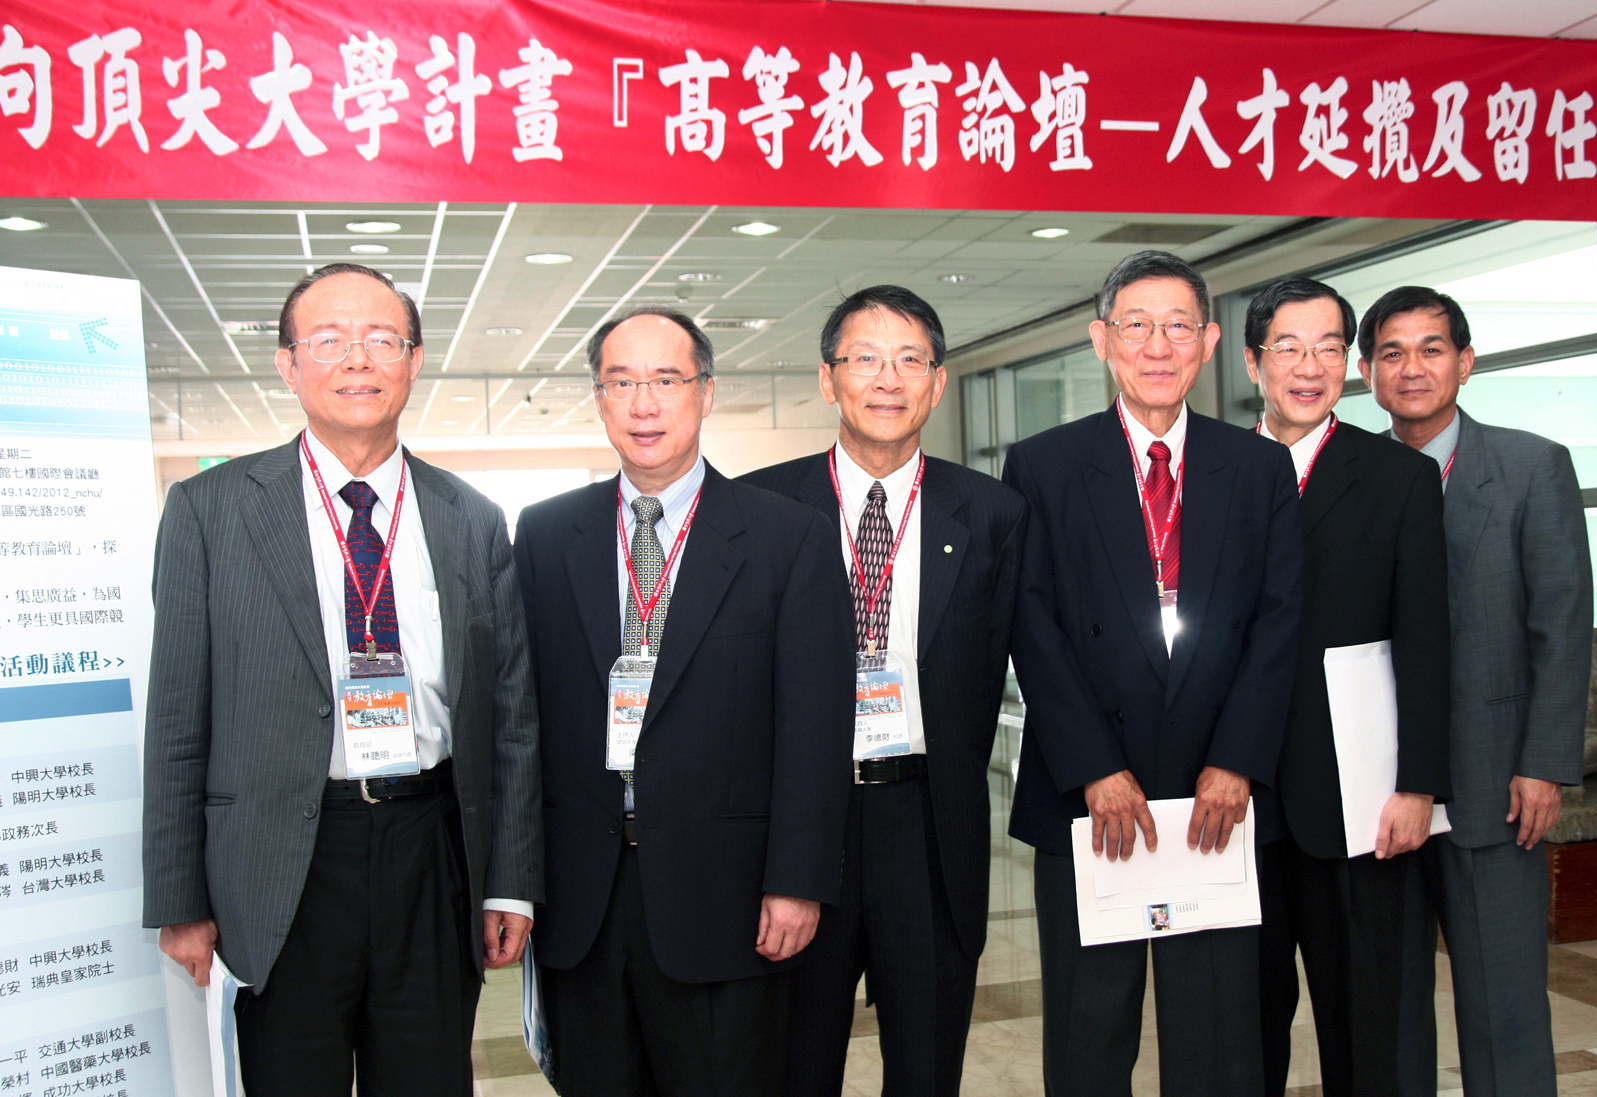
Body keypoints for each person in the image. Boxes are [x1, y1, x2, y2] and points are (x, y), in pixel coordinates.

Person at [141, 263, 543, 1096]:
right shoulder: (211, 510)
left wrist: (510, 880)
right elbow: (178, 717)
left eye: (382, 339)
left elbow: (511, 718)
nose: (357, 359)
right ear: (288, 365)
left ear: (414, 360)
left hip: (431, 847)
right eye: (327, 340)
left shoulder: (471, 518)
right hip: (283, 857)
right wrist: (179, 897)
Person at [513, 307, 855, 1097]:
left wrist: (797, 879)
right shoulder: (546, 534)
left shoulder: (786, 536)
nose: (644, 404)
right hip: (583, 899)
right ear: (598, 398)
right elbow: (520, 721)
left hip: (726, 896)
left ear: (704, 391)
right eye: (621, 382)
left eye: (665, 380)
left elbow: (814, 726)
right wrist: (515, 880)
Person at [1001, 250, 1303, 1097]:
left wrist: (1237, 759)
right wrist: (1093, 766)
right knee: (1089, 1029)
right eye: (1136, 326)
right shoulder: (1044, 465)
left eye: (1177, 326)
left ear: (1209, 341)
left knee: (1217, 1034)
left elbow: (1278, 621)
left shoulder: (1255, 468)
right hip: (1088, 791)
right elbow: (1031, 625)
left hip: (1217, 794)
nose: (1157, 346)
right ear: (1101, 339)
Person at [741, 286, 1027, 1097]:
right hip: (802, 825)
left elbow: (1028, 654)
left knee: (926, 1067)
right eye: (864, 359)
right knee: (795, 1066)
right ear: (827, 379)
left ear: (937, 382)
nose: (887, 379)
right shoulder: (760, 507)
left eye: (909, 360)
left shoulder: (992, 513)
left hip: (928, 827)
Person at [1362, 286, 1591, 1097]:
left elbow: (1560, 627)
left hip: (1495, 781)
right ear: (1366, 372)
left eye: (1430, 349)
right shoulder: (1353, 476)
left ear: (1464, 362)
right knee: (1388, 1010)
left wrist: (1544, 763)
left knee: (1504, 1003)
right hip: (1380, 790)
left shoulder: (1532, 467)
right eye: (1390, 352)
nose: (1411, 368)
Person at [1242, 277, 1450, 1096]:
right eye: (1288, 348)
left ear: (1347, 366)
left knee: (1364, 1026)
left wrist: (1418, 786)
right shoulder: (1210, 472)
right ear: (1253, 361)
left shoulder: (1398, 477)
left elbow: (1426, 641)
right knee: (1240, 1028)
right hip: (1234, 799)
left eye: (1327, 348)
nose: (1308, 366)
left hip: (1358, 805)